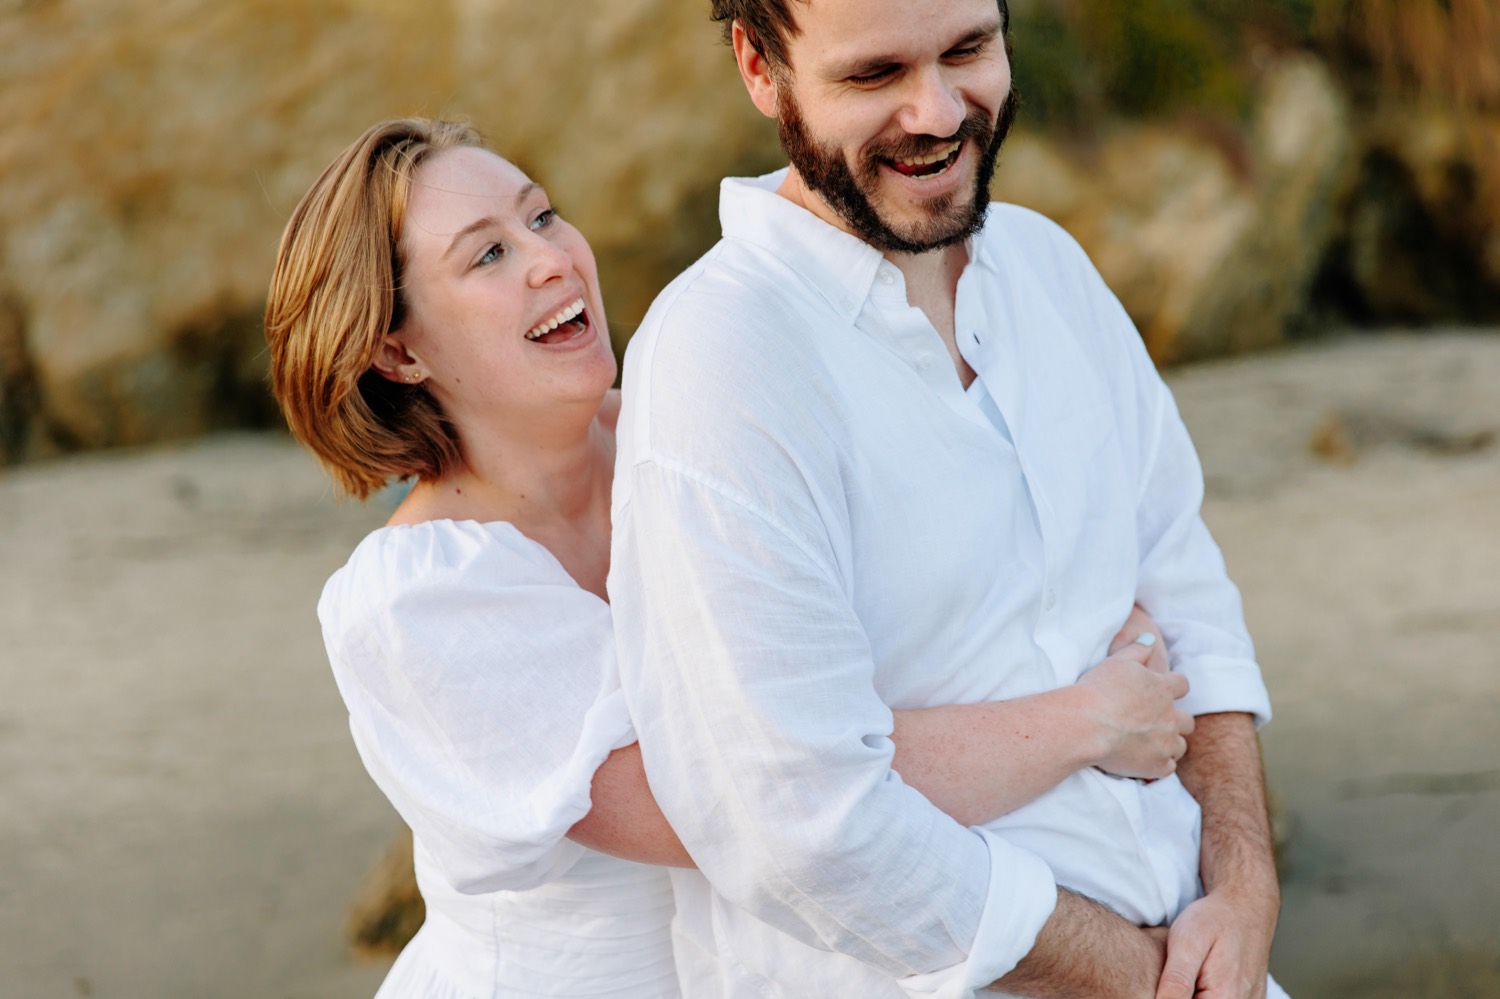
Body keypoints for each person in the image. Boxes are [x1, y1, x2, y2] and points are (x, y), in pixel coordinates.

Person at [263, 117, 1196, 998]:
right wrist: (1086, 717)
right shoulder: (422, 608)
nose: (554, 258)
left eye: (542, 214)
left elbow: (925, 612)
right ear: (398, 349)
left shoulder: (701, 437)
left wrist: (1093, 603)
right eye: (489, 255)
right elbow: (756, 799)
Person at [608, 2, 1287, 998]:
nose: (936, 113)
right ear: (762, 68)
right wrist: (1134, 976)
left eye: (968, 50)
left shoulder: (1048, 266)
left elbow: (1188, 597)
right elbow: (799, 823)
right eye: (875, 74)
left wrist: (1245, 882)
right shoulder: (723, 356)